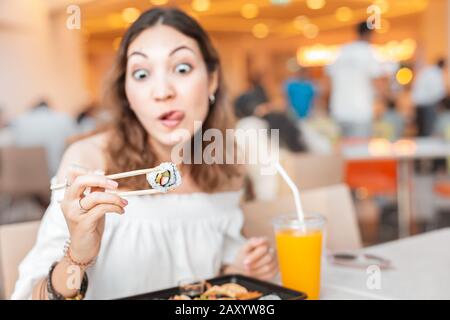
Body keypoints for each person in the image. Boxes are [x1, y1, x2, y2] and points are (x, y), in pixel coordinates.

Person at [12, 8, 277, 300]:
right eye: (141, 73)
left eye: (182, 68)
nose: (162, 91)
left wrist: (237, 270)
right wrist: (77, 256)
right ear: (127, 92)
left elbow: (202, 281)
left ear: (212, 80)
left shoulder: (223, 160)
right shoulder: (88, 161)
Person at [326, 21, 384, 138]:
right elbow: (377, 81)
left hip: (339, 110)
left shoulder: (342, 51)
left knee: (343, 152)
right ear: (369, 34)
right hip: (360, 112)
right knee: (360, 152)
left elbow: (327, 81)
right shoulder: (368, 52)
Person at [9, 100, 79, 176]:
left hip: (25, 175)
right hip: (56, 173)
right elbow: (75, 140)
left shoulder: (19, 120)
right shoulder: (64, 118)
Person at [412, 59, 447, 136]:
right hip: (427, 104)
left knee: (421, 128)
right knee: (427, 129)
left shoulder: (427, 71)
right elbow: (437, 91)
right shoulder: (435, 73)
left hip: (420, 103)